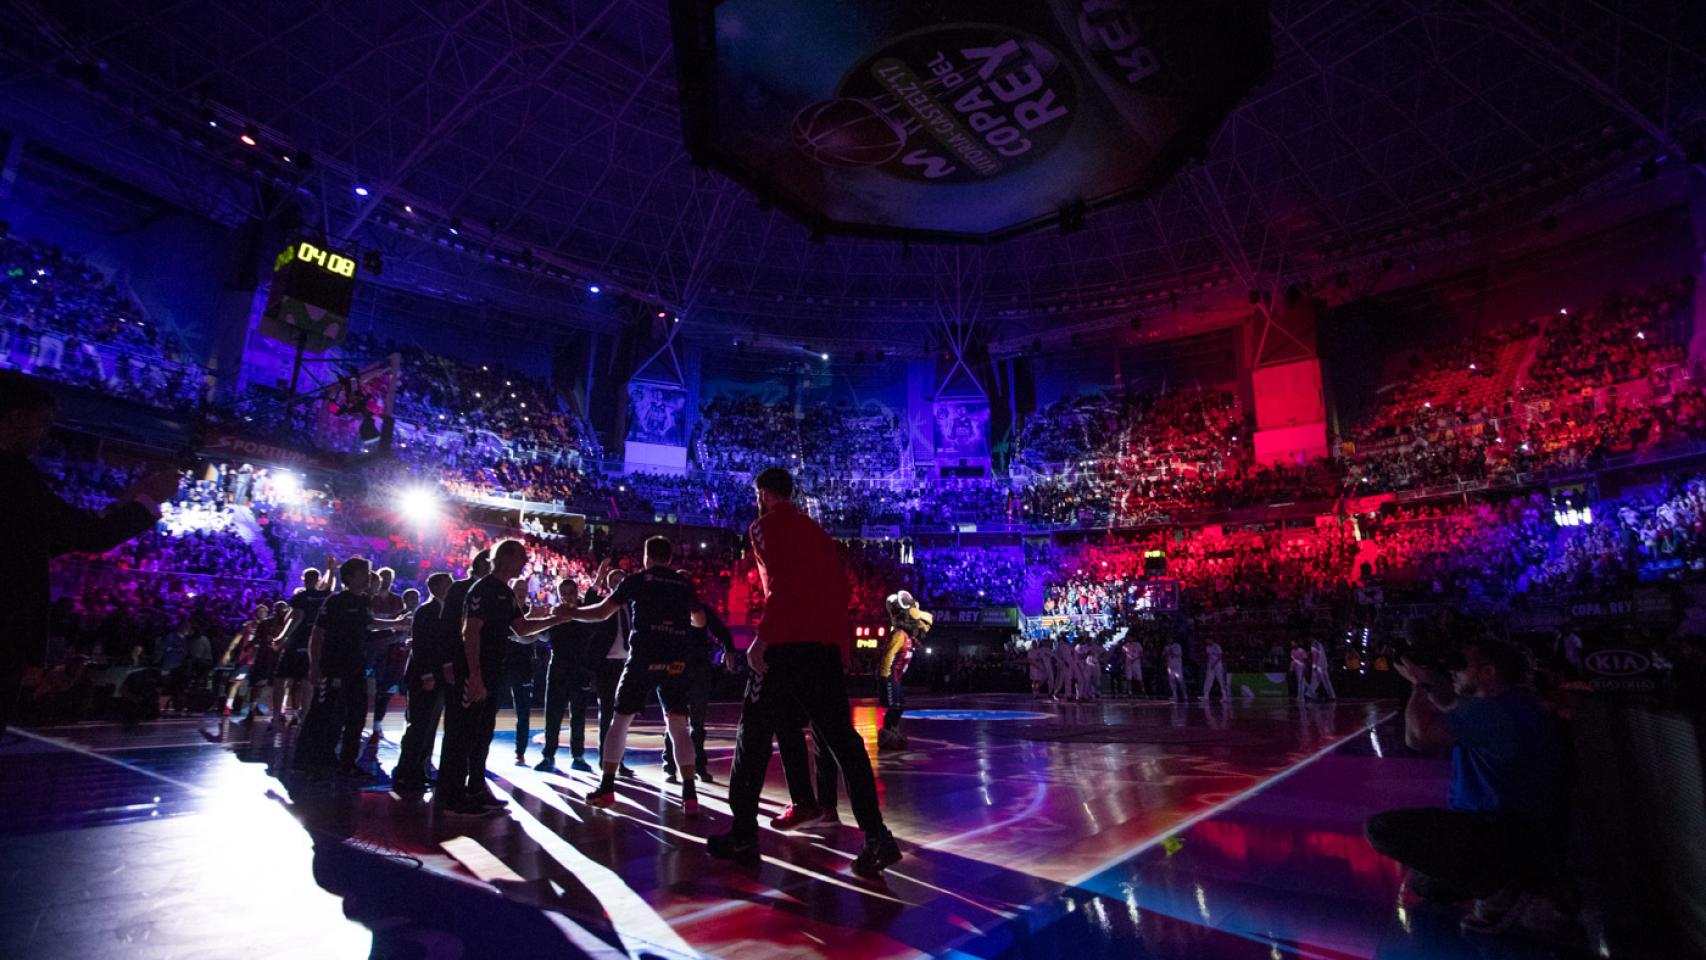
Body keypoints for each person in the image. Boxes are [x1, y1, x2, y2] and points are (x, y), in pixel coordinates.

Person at [707, 468, 901, 878]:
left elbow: (782, 584)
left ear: (762, 494)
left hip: (786, 646)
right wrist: (841, 648)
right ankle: (876, 835)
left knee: (752, 735)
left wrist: (763, 636)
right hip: (823, 649)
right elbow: (838, 591)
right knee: (842, 741)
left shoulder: (764, 527)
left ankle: (743, 832)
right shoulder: (817, 533)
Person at [0, 371, 176, 738]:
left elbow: (53, 536)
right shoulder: (14, 477)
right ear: (15, 418)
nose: (44, 435)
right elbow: (83, 535)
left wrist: (127, 502)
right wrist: (148, 500)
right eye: (41, 423)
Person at [1365, 638, 1572, 938]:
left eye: (1463, 668)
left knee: (1382, 829)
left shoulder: (1493, 712)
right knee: (1425, 884)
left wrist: (1420, 686)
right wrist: (1428, 680)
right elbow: (1450, 703)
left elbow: (1418, 737)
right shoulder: (1515, 703)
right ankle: (1525, 879)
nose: (1456, 673)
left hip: (1500, 829)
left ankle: (1501, 892)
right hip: (1527, 830)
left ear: (1488, 672)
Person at [564, 536, 708, 813]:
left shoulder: (637, 581)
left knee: (620, 721)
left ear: (646, 556)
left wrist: (572, 613)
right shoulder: (683, 584)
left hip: (643, 657)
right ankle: (690, 798)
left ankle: (607, 788)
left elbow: (601, 613)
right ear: (670, 558)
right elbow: (699, 620)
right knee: (678, 725)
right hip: (675, 659)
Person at [445, 540, 572, 816]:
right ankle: (452, 797)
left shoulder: (505, 592)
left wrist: (555, 619)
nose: (525, 563)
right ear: (503, 559)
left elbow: (522, 628)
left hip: (492, 669)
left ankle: (475, 789)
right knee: (464, 733)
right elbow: (471, 631)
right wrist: (475, 673)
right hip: (475, 670)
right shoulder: (485, 589)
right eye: (521, 557)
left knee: (482, 731)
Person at [293, 557, 411, 779]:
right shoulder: (335, 602)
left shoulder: (364, 601)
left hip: (356, 667)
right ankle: (309, 760)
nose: (369, 576)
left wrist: (397, 625)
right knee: (325, 714)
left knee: (356, 715)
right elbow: (317, 634)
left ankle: (347, 762)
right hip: (333, 667)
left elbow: (369, 624)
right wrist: (315, 666)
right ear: (350, 576)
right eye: (365, 573)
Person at [663, 594, 733, 784]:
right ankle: (672, 766)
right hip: (678, 670)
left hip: (694, 670)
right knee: (677, 720)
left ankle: (694, 766)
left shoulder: (697, 609)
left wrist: (729, 649)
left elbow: (721, 630)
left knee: (693, 722)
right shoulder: (670, 608)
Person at [393, 573, 453, 792]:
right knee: (418, 726)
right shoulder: (426, 611)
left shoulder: (442, 610)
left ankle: (419, 770)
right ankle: (405, 772)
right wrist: (427, 675)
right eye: (448, 584)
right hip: (424, 677)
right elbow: (421, 645)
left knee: (428, 727)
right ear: (436, 587)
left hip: (437, 677)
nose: (451, 587)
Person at [534, 579, 596, 774]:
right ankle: (548, 756)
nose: (568, 596)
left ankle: (578, 756)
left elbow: (593, 631)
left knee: (578, 715)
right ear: (560, 594)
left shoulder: (584, 614)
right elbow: (543, 636)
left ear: (577, 592)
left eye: (570, 592)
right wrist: (546, 619)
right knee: (552, 714)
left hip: (579, 669)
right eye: (564, 593)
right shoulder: (556, 614)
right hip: (558, 668)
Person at [274, 562, 337, 725]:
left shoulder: (300, 597)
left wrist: (282, 637)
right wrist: (331, 569)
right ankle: (304, 714)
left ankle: (277, 715)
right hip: (314, 642)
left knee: (281, 678)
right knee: (306, 680)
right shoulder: (324, 596)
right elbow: (329, 586)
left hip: (298, 641)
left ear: (304, 580)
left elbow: (297, 618)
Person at [878, 591, 927, 750]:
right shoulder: (899, 635)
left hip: (897, 677)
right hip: (891, 675)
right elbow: (887, 656)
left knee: (900, 706)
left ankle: (892, 731)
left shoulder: (908, 637)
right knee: (894, 706)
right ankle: (886, 734)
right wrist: (884, 678)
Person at [503, 578, 540, 767]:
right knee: (488, 709)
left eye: (524, 588)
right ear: (512, 589)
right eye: (518, 588)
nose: (521, 591)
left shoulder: (530, 612)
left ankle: (520, 753)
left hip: (523, 666)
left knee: (523, 711)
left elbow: (533, 637)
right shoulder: (504, 610)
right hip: (501, 664)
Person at [1307, 636, 1337, 701]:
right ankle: (1332, 696)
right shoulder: (1320, 644)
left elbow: (1315, 656)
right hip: (1324, 665)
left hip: (1318, 666)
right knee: (1325, 681)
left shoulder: (1313, 645)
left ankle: (1308, 695)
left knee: (1315, 680)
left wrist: (1314, 666)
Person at [1164, 637, 1186, 702]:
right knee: (1171, 681)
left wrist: (1171, 651)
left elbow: (1179, 654)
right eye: (1168, 639)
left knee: (1180, 680)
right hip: (1170, 666)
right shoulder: (1166, 647)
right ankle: (1174, 695)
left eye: (1170, 639)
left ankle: (1184, 694)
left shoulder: (1177, 646)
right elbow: (1165, 655)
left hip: (1177, 666)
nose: (1169, 640)